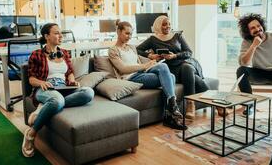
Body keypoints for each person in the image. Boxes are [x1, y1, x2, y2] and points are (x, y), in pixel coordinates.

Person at [22, 23, 94, 157]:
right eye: (56, 33)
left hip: (64, 87)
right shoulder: (37, 54)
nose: (60, 36)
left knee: (89, 92)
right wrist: (41, 82)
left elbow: (69, 73)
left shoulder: (64, 53)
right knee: (57, 99)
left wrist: (72, 81)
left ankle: (46, 108)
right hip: (45, 88)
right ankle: (31, 134)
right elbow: (31, 79)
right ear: (46, 36)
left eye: (60, 33)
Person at [108, 20, 186, 130]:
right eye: (126, 33)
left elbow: (138, 63)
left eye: (131, 34)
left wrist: (152, 61)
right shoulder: (113, 50)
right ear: (118, 31)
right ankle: (170, 113)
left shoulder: (131, 48)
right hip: (131, 78)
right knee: (171, 77)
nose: (129, 36)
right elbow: (123, 69)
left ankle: (171, 108)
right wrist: (145, 66)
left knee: (164, 68)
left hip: (141, 73)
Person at [136, 15, 209, 119]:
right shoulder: (153, 39)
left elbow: (189, 52)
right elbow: (138, 50)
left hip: (183, 64)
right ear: (158, 25)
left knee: (187, 68)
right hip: (170, 70)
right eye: (164, 24)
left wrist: (175, 55)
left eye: (169, 24)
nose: (168, 26)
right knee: (195, 79)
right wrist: (151, 55)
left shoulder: (177, 36)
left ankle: (190, 105)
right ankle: (217, 104)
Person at [237, 13, 272, 115]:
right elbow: (244, 63)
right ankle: (249, 105)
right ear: (248, 32)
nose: (257, 29)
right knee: (241, 70)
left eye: (259, 26)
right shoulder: (247, 42)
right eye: (253, 28)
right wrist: (253, 46)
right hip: (258, 73)